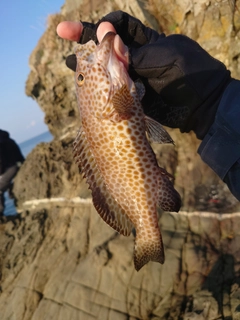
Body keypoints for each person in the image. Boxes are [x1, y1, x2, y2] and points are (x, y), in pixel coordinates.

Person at [56, 11, 240, 201]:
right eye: (81, 78)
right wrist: (216, 100)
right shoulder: (110, 105)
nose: (85, 68)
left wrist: (213, 104)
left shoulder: (110, 103)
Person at [0, 130, 25, 216]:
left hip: (13, 167)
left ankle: (0, 212)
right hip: (18, 163)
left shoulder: (2, 142)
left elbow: (1, 161)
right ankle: (11, 190)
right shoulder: (7, 139)